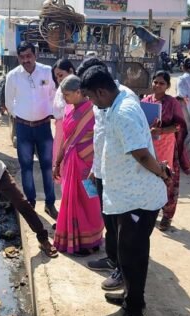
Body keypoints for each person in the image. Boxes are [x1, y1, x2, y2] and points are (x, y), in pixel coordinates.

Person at [80, 65, 170, 316]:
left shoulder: (124, 111)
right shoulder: (115, 103)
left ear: (101, 91)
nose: (92, 103)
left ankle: (134, 308)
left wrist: (162, 174)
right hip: (125, 193)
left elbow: (141, 154)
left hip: (138, 198)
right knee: (126, 250)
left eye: (92, 97)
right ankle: (131, 296)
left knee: (132, 253)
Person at [75, 57, 140, 291]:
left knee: (122, 228)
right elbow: (100, 136)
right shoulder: (100, 100)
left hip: (120, 176)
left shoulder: (124, 101)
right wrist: (95, 168)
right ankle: (113, 259)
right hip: (103, 170)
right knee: (109, 222)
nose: (88, 98)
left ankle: (123, 271)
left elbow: (134, 146)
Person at [4, 41, 58, 219]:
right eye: (22, 57)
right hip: (23, 128)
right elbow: (8, 101)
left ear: (35, 55)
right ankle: (31, 202)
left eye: (29, 56)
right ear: (18, 57)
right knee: (26, 167)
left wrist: (49, 113)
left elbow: (53, 94)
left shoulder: (46, 71)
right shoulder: (13, 76)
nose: (26, 60)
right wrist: (20, 115)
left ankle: (50, 204)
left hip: (43, 127)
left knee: (47, 167)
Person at [51, 75, 104, 256]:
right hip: (70, 163)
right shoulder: (68, 110)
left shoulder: (94, 111)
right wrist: (57, 162)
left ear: (79, 92)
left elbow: (100, 140)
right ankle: (77, 242)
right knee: (72, 200)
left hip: (88, 165)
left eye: (67, 95)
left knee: (91, 201)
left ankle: (93, 240)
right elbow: (66, 139)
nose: (65, 99)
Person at [142, 71, 190, 231]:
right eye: (155, 82)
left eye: (161, 83)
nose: (157, 85)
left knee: (167, 180)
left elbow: (179, 126)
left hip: (167, 146)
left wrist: (161, 131)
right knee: (150, 179)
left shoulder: (172, 103)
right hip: (150, 147)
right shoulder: (146, 101)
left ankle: (167, 216)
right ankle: (151, 211)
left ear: (168, 86)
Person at [51, 59, 76, 174]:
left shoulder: (78, 90)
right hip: (61, 132)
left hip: (73, 133)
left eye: (61, 75)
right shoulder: (60, 91)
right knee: (61, 169)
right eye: (57, 77)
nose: (59, 79)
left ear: (70, 71)